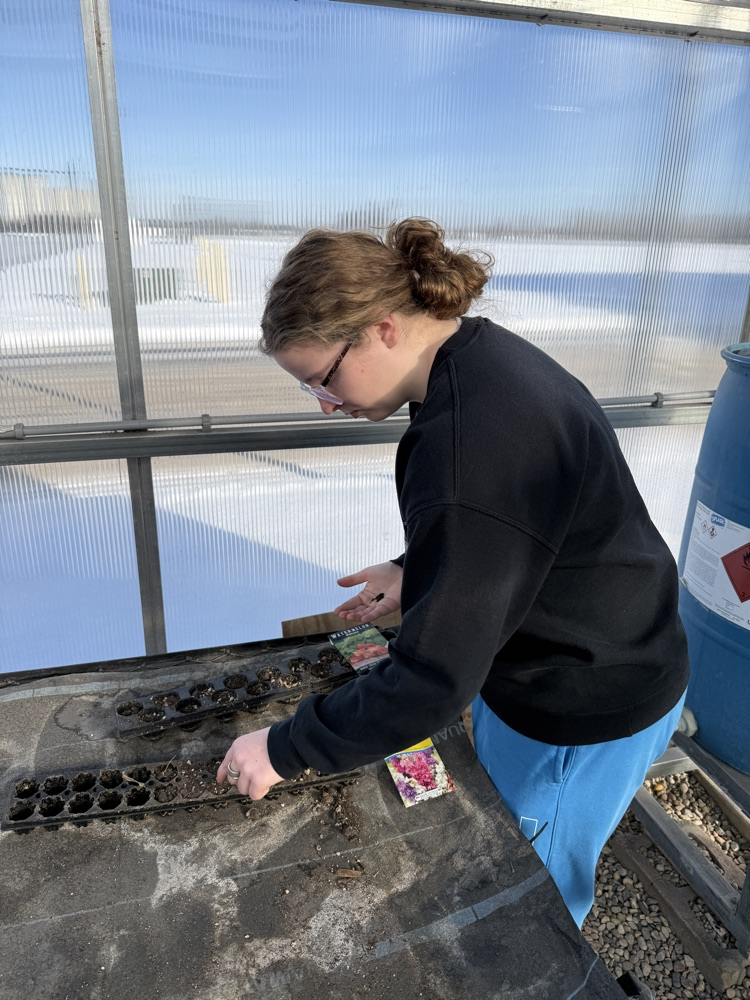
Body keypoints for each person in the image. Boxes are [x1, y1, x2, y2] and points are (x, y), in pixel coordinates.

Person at [218, 218, 689, 928]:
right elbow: (521, 528)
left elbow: (435, 677)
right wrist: (421, 568)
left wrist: (287, 746)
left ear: (382, 328)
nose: (326, 402)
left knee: (529, 905)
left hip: (578, 699)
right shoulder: (481, 358)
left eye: (324, 378)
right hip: (608, 642)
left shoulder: (471, 443)